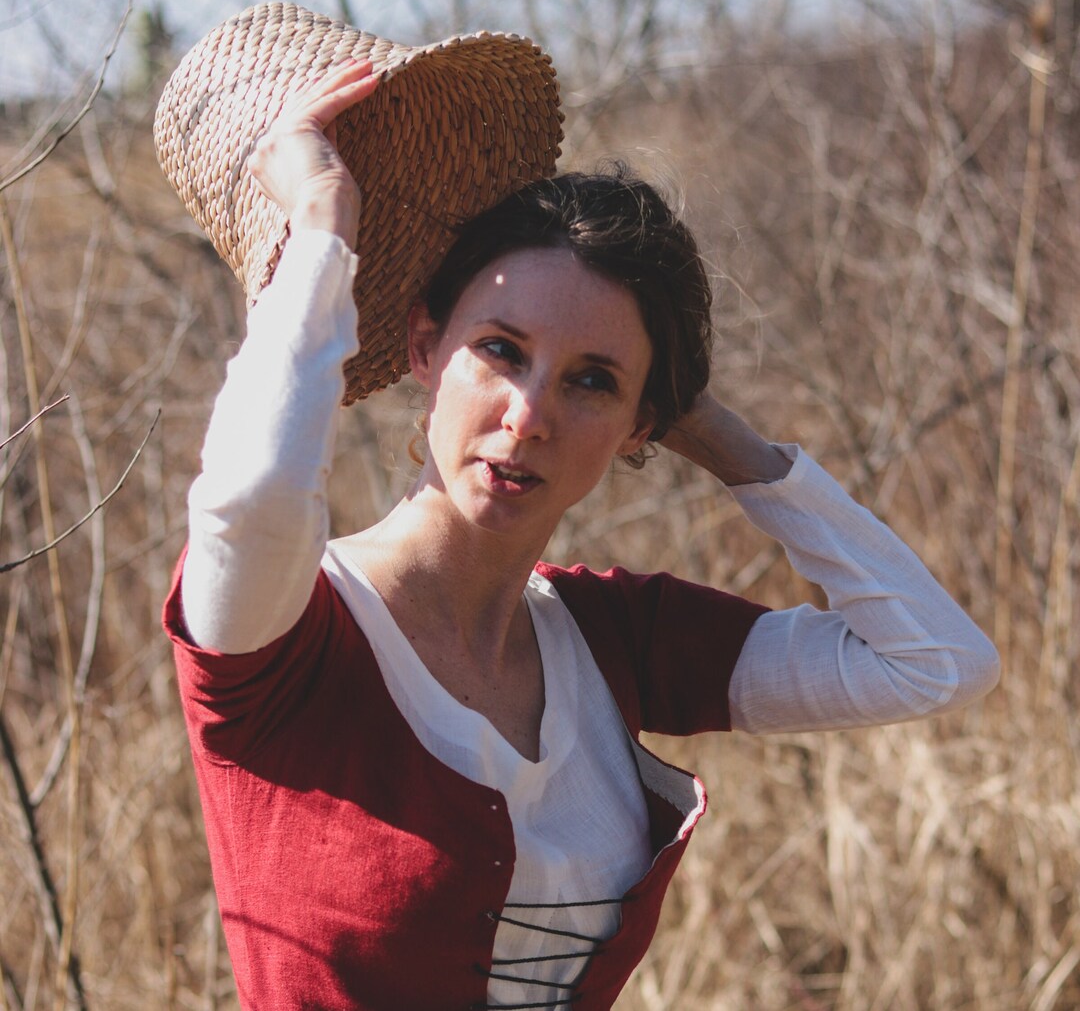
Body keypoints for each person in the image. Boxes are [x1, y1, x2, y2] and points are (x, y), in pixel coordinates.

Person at [163, 60, 1000, 1011]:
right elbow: (253, 492)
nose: (529, 415)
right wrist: (322, 224)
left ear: (641, 425)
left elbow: (938, 661)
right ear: (425, 346)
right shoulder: (281, 634)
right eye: (501, 349)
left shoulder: (611, 636)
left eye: (592, 381)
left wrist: (722, 438)